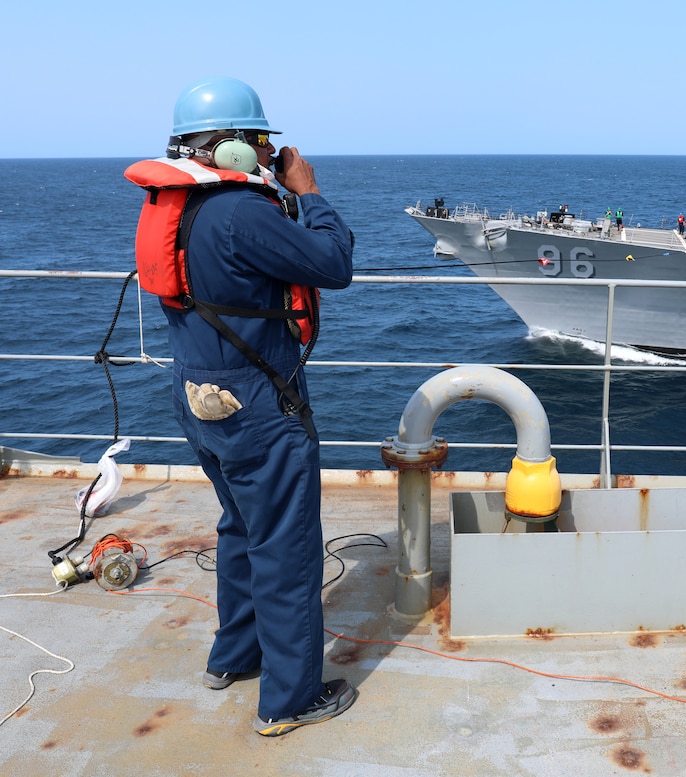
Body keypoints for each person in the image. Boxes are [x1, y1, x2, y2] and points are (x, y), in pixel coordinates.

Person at [124, 76, 356, 737]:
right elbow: (333, 262)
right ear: (230, 146)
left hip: (196, 393)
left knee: (240, 527)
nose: (265, 153)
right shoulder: (242, 212)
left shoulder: (172, 202)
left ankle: (233, 656)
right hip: (256, 401)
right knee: (286, 548)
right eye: (258, 141)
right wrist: (307, 192)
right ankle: (290, 700)